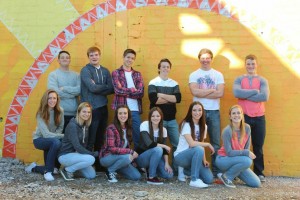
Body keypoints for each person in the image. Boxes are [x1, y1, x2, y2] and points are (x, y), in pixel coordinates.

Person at [233, 54, 270, 182]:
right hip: (244, 118)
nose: (250, 66)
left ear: (256, 64)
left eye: (253, 63)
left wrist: (245, 95)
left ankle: (259, 172)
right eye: (248, 63)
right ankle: (239, 172)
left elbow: (264, 97)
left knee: (258, 146)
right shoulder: (239, 79)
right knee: (241, 146)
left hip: (259, 118)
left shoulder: (262, 80)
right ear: (245, 65)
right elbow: (237, 93)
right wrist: (255, 91)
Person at [189, 48, 224, 177]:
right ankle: (197, 169)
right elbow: (194, 92)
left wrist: (202, 93)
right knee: (197, 141)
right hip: (199, 112)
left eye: (207, 58)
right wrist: (211, 91)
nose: (205, 60)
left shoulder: (218, 74)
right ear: (199, 59)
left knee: (215, 142)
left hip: (214, 111)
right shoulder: (194, 74)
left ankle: (216, 171)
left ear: (211, 59)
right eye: (202, 58)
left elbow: (220, 93)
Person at [80, 46, 114, 170]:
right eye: (91, 55)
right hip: (91, 109)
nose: (94, 57)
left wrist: (99, 86)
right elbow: (91, 88)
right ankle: (88, 163)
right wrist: (103, 87)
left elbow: (111, 88)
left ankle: (99, 165)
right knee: (91, 136)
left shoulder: (105, 71)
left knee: (101, 136)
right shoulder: (85, 70)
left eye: (96, 55)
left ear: (100, 56)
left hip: (103, 108)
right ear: (88, 57)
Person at [216, 105, 261, 188]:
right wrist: (246, 153)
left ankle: (230, 175)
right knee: (248, 161)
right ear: (230, 116)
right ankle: (226, 177)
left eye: (238, 113)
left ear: (242, 115)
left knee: (256, 183)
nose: (236, 115)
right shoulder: (227, 131)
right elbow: (229, 152)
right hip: (223, 159)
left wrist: (245, 153)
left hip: (239, 161)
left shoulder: (247, 128)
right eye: (233, 113)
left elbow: (246, 147)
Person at [148, 58, 181, 171]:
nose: (165, 68)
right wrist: (170, 99)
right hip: (157, 122)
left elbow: (178, 98)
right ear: (159, 68)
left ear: (170, 68)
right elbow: (154, 100)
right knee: (158, 145)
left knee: (177, 144)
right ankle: (159, 169)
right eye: (163, 66)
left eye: (167, 66)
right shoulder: (153, 82)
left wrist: (161, 94)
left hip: (171, 120)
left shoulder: (174, 83)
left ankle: (177, 170)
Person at [25, 89, 64, 181]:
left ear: (57, 99)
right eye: (49, 98)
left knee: (56, 142)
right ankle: (48, 172)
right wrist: (63, 136)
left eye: (54, 98)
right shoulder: (40, 113)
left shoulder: (60, 111)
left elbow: (60, 128)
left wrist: (59, 135)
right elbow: (46, 135)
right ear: (45, 100)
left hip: (52, 140)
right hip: (39, 140)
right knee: (56, 142)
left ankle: (34, 168)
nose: (52, 100)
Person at [174, 102, 214, 188]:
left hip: (195, 156)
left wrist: (204, 160)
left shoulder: (204, 126)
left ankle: (186, 171)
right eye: (194, 110)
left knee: (209, 179)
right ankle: (194, 180)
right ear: (190, 112)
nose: (197, 112)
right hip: (181, 157)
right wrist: (207, 144)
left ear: (202, 112)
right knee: (198, 148)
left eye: (199, 110)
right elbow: (192, 144)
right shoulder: (186, 124)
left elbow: (201, 143)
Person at [111, 49, 144, 149]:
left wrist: (125, 91)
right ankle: (123, 159)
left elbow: (141, 92)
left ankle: (137, 161)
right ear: (123, 57)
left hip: (135, 110)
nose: (130, 60)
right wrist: (132, 90)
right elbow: (117, 90)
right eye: (128, 57)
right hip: (121, 109)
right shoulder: (116, 73)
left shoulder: (137, 74)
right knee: (121, 136)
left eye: (132, 58)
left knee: (137, 136)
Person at [99, 105, 141, 183]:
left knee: (136, 176)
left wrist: (133, 162)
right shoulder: (111, 128)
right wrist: (130, 151)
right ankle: (110, 171)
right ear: (117, 115)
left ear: (128, 115)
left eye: (125, 113)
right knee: (128, 157)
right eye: (120, 113)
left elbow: (126, 146)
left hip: (120, 158)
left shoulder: (128, 128)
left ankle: (116, 168)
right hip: (107, 157)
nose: (123, 115)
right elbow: (111, 149)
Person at [58, 102, 97, 181]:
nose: (87, 114)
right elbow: (77, 146)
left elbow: (83, 145)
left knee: (91, 175)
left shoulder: (85, 126)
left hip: (76, 156)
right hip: (65, 155)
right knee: (91, 159)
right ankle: (67, 170)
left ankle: (71, 168)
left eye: (89, 112)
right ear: (78, 112)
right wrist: (93, 154)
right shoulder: (72, 125)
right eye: (84, 112)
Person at [136, 107, 174, 185]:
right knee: (158, 149)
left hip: (156, 155)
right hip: (142, 158)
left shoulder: (163, 130)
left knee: (169, 175)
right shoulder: (145, 125)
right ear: (150, 117)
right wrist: (164, 146)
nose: (155, 118)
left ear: (161, 117)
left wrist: (166, 163)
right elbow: (149, 144)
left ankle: (152, 169)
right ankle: (151, 177)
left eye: (157, 116)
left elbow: (164, 151)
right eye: (153, 116)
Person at [48, 50, 80, 133]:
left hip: (74, 114)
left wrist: (65, 88)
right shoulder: (53, 75)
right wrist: (73, 94)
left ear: (70, 60)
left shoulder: (76, 75)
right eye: (62, 58)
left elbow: (79, 90)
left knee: (71, 140)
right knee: (59, 140)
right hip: (58, 113)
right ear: (58, 60)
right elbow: (54, 93)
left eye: (67, 58)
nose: (65, 59)